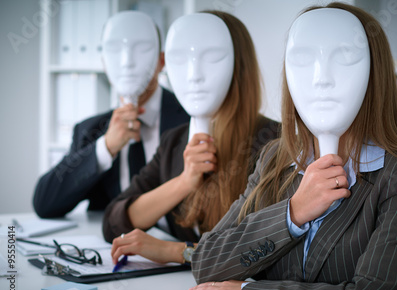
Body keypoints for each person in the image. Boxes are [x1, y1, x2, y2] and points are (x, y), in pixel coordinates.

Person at [189, 3, 397, 290]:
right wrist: (293, 214)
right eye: (302, 60)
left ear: (374, 74)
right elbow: (206, 262)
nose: (321, 78)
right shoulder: (276, 159)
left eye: (343, 58)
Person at [102, 11, 280, 266]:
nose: (194, 75)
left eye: (213, 58)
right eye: (179, 59)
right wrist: (184, 181)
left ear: (238, 66)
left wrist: (176, 251)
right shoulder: (175, 140)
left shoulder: (275, 141)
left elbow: (264, 250)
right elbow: (113, 223)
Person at [32, 11, 189, 218]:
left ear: (162, 61)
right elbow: (45, 203)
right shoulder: (90, 130)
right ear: (104, 63)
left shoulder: (191, 117)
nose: (127, 62)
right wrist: (105, 148)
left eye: (142, 49)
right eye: (115, 51)